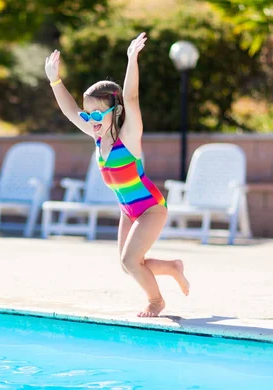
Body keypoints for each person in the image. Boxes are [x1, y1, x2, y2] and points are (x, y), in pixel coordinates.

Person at [44, 32, 190, 317]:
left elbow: (132, 97)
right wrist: (54, 80)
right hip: (128, 210)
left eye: (97, 115)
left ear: (115, 109)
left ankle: (156, 302)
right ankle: (173, 267)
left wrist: (132, 59)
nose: (90, 121)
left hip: (150, 208)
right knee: (128, 264)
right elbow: (70, 110)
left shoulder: (129, 137)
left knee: (131, 260)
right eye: (88, 115)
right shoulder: (97, 136)